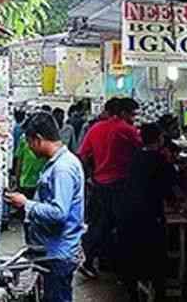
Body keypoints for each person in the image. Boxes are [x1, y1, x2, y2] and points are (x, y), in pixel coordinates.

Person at [5, 112, 85, 302]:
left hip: (58, 253)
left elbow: (59, 213)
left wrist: (26, 204)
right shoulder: (57, 163)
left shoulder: (62, 169)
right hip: (52, 250)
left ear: (38, 139)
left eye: (29, 142)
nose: (29, 148)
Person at [77, 97, 142, 278]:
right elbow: (143, 151)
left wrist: (91, 175)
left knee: (98, 224)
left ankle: (90, 261)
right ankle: (118, 267)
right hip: (120, 185)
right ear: (122, 113)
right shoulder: (127, 130)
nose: (133, 119)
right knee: (121, 226)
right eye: (132, 115)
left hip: (98, 184)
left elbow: (82, 155)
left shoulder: (95, 129)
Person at [119, 123, 178, 301]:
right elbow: (169, 187)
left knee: (133, 256)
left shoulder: (134, 158)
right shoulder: (160, 160)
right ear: (159, 139)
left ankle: (133, 294)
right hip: (151, 216)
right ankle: (159, 295)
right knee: (157, 259)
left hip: (129, 215)